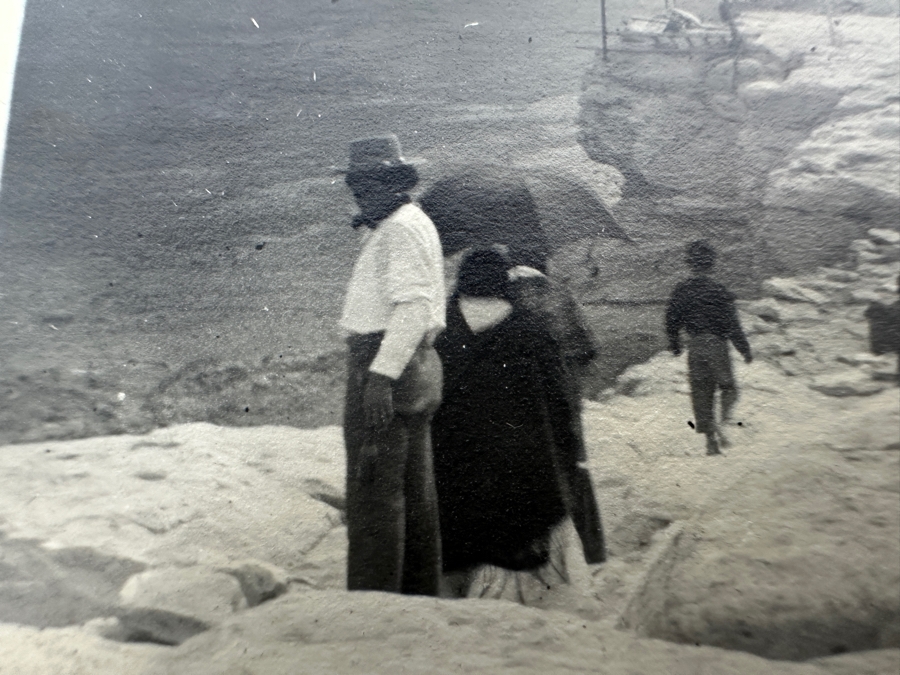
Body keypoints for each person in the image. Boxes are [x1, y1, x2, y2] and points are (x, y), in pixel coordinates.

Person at [431, 248, 605, 602]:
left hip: (452, 475)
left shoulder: (439, 332)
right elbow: (559, 408)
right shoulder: (532, 332)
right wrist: (568, 459)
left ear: (461, 284)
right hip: (520, 479)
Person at [338, 134, 446, 595]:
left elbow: (413, 306)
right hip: (415, 364)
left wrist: (380, 376)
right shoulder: (409, 222)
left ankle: (373, 599)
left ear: (395, 182)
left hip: (385, 363)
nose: (359, 193)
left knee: (374, 493)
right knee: (413, 490)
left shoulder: (399, 229)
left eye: (369, 183)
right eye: (355, 184)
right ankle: (417, 591)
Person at [666, 240, 752, 455]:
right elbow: (733, 324)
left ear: (690, 264)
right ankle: (724, 421)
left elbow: (671, 319)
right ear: (712, 264)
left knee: (701, 392)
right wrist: (744, 348)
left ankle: (710, 440)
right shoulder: (719, 290)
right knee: (727, 387)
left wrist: (675, 344)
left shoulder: (681, 289)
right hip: (717, 344)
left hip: (695, 345)